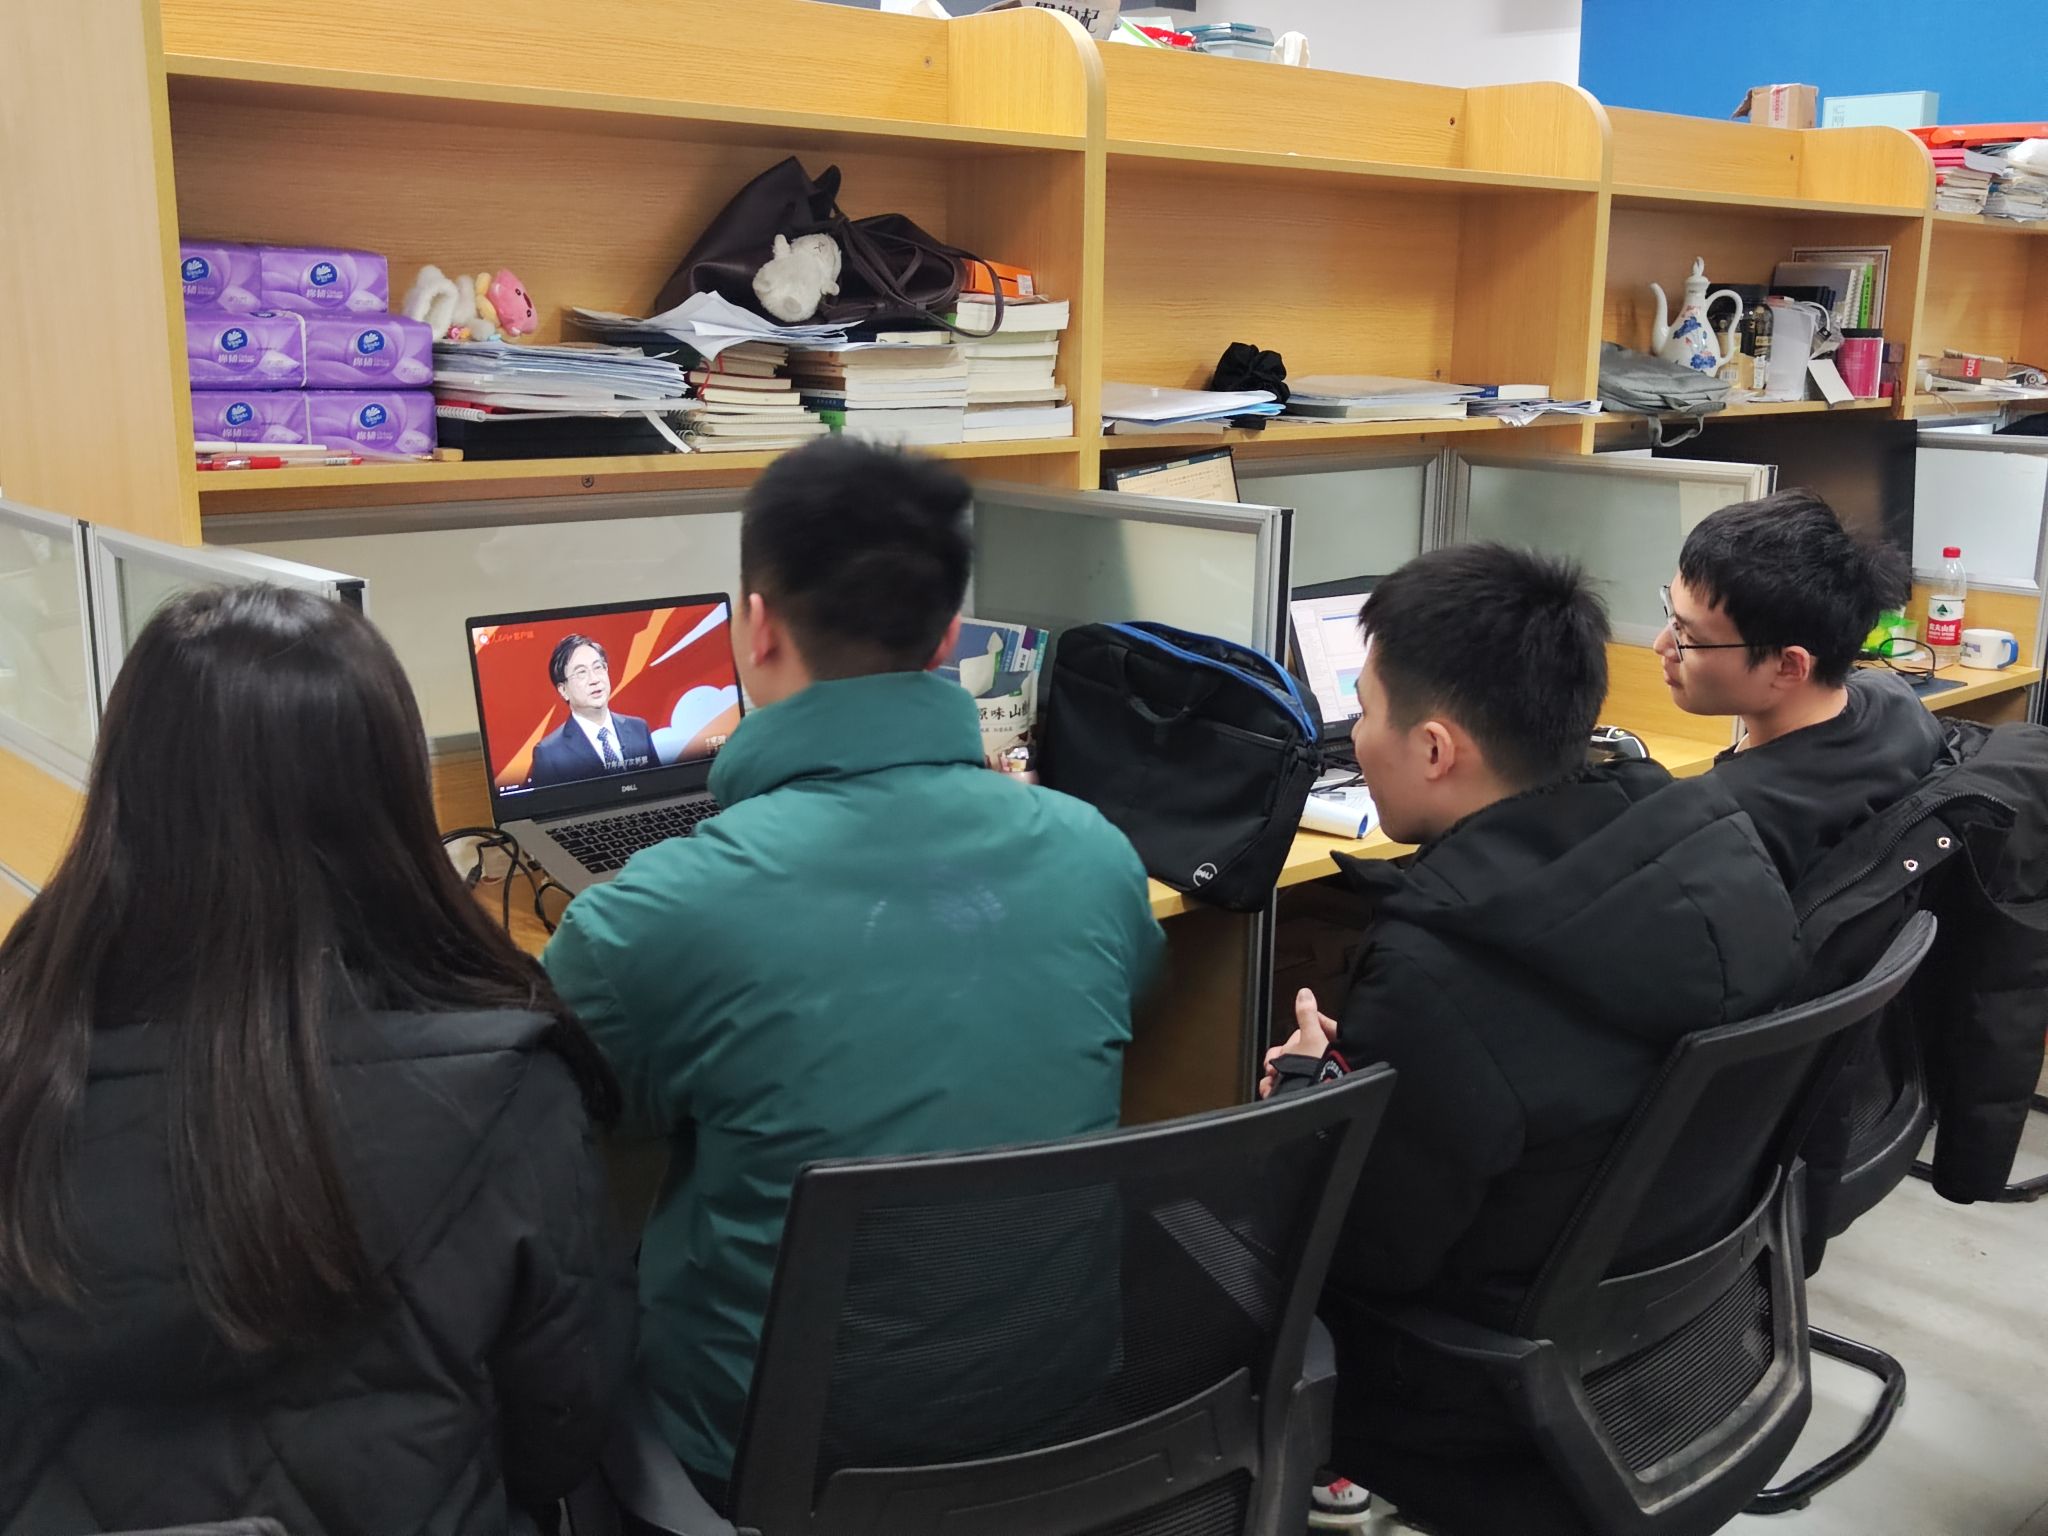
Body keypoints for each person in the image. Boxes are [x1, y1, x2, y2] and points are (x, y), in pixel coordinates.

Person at [543, 437, 1165, 1503]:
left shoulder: (652, 917)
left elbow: (580, 1117)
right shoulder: (1095, 855)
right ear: (952, 635)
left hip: (771, 1463)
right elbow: (1127, 1006)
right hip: (1057, 1420)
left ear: (755, 626)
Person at [0, 586, 634, 1536]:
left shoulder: (24, 1070)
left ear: (124, 789)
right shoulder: (509, 1090)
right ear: (392, 796)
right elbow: (559, 1436)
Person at [1260, 544, 1799, 1529]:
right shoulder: (1717, 843)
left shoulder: (1440, 975)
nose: (1355, 737)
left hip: (1481, 1388)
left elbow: (1363, 1255)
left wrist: (1308, 1096)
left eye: (1364, 713)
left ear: (1434, 750)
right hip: (1684, 1323)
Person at [1656, 489, 1945, 886]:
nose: (1662, 646)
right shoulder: (1897, 702)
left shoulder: (1726, 817)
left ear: (1790, 665)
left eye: (1688, 636)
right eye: (1671, 616)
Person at [529, 633, 657, 786]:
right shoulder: (549, 753)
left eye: (598, 667)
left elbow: (658, 785)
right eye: (581, 673)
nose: (594, 680)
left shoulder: (638, 728)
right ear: (563, 690)